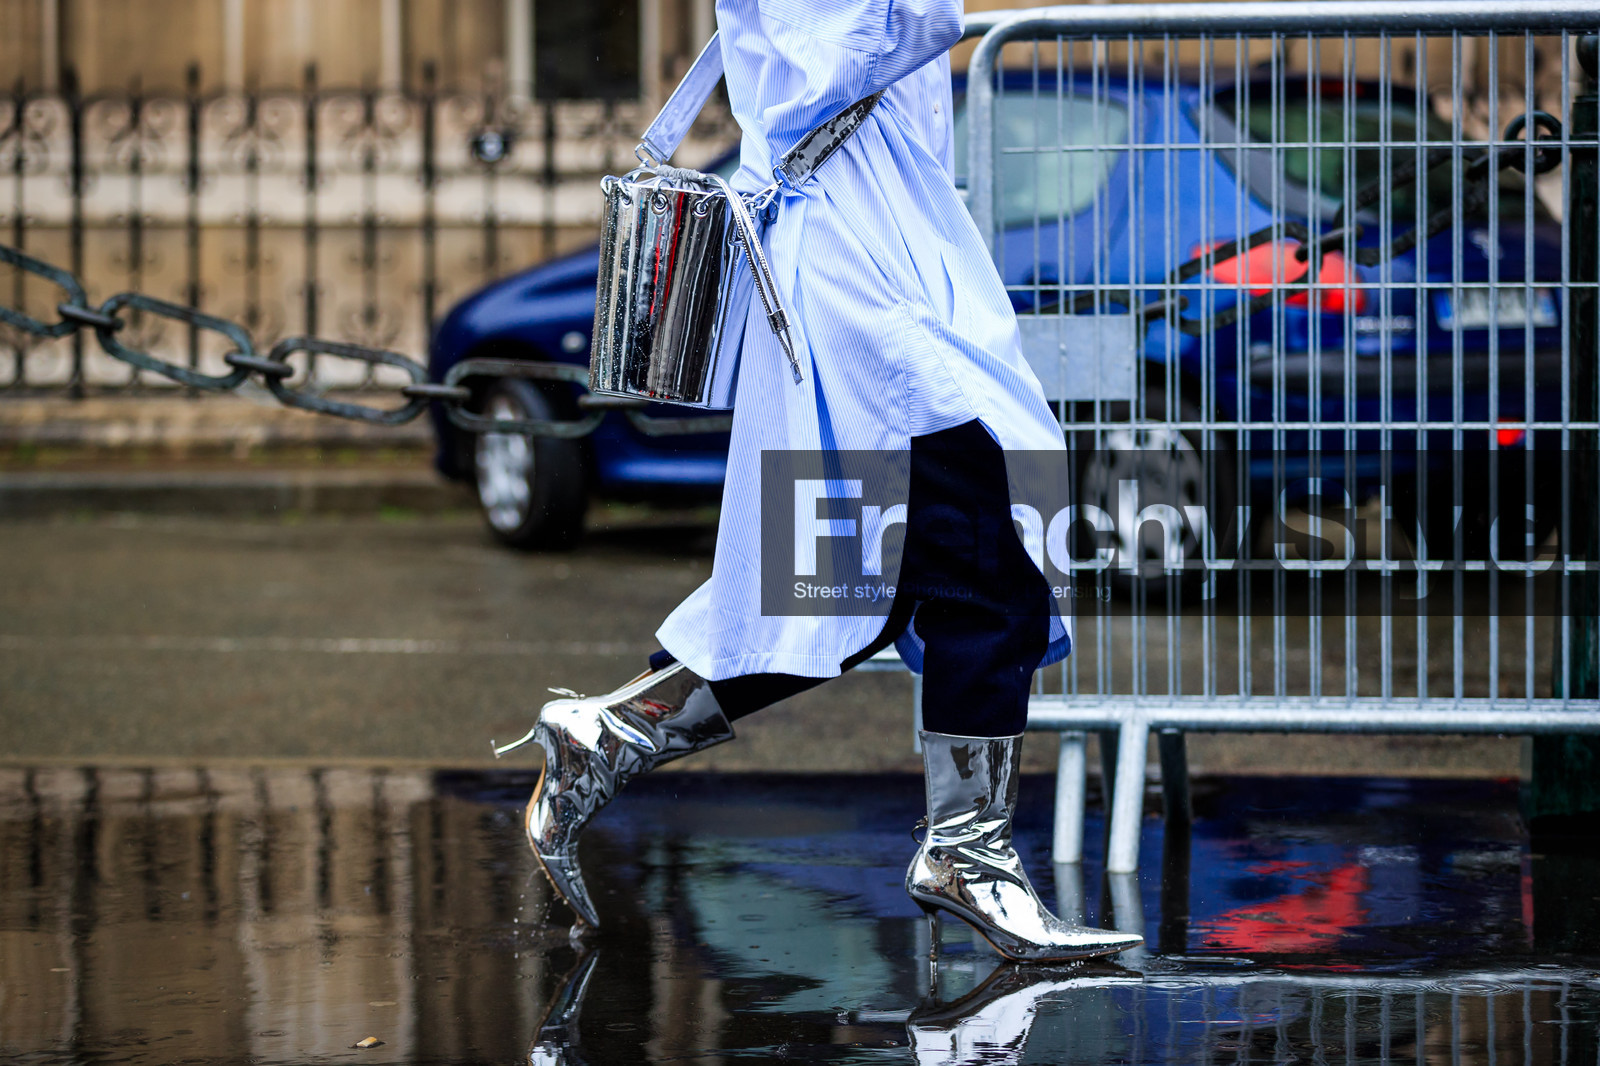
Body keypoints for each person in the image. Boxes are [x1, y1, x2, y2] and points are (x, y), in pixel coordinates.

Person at [501, 0, 1140, 963]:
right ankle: (969, 855)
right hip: (852, 266)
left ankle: (615, 734)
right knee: (985, 550)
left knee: (853, 587)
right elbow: (849, 54)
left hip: (885, 248)